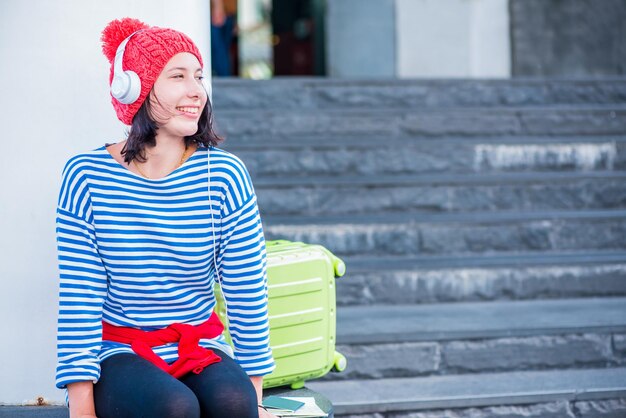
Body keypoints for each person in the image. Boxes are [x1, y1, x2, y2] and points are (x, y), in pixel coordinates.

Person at [55, 17, 276, 418]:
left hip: (198, 343)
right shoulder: (86, 176)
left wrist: (255, 399)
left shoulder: (224, 175)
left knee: (233, 403)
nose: (197, 92)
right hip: (119, 349)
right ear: (134, 89)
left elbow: (247, 290)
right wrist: (81, 405)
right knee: (174, 408)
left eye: (199, 76)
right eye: (178, 76)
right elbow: (79, 296)